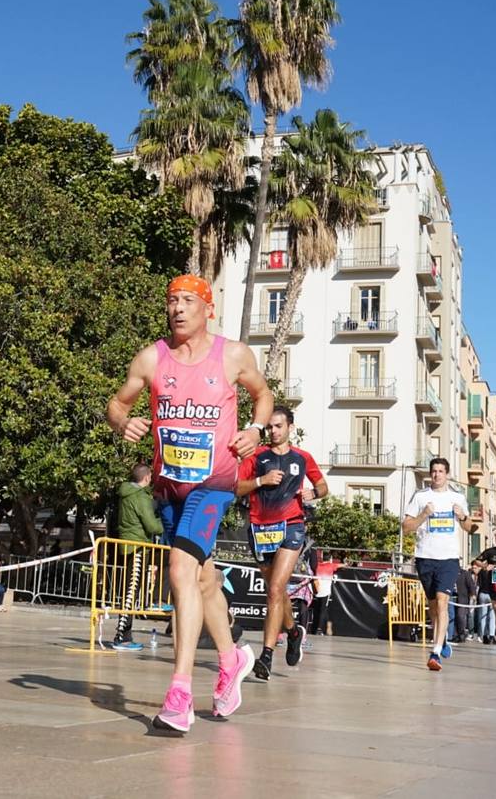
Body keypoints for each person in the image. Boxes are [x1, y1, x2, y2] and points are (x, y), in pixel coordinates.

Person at [106, 273, 272, 733]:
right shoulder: (151, 358)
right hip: (169, 486)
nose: (177, 308)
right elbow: (116, 404)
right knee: (202, 580)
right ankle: (231, 657)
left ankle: (179, 693)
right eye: (171, 301)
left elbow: (263, 394)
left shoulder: (232, 355)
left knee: (180, 570)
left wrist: (255, 431)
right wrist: (124, 423)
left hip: (215, 483)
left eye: (186, 301)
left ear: (207, 308)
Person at [235, 405, 327, 681]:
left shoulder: (303, 457)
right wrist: (261, 480)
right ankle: (294, 631)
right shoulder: (257, 456)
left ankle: (266, 656)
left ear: (290, 427)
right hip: (260, 528)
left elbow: (323, 486)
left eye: (278, 426)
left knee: (276, 588)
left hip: (291, 525)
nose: (273, 431)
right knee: (275, 592)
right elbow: (236, 486)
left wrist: (314, 493)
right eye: (270, 427)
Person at [402, 458, 480, 671]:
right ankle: (441, 639)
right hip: (425, 557)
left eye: (441, 471)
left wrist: (462, 515)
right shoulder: (420, 497)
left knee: (442, 601)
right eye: (434, 471)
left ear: (447, 474)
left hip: (449, 558)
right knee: (433, 607)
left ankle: (435, 652)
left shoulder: (457, 497)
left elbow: (470, 527)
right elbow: (407, 527)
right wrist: (423, 515)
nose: (437, 475)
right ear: (430, 474)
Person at [112, 463, 163, 651]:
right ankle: (121, 637)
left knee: (128, 591)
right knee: (130, 593)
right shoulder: (140, 497)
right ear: (147, 477)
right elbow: (152, 526)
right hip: (137, 547)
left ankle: (125, 635)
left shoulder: (126, 494)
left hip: (127, 545)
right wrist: (165, 522)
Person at [311, 553, 341, 636]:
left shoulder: (317, 566)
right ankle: (319, 629)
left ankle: (314, 628)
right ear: (330, 559)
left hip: (316, 591)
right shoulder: (331, 565)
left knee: (316, 610)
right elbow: (342, 565)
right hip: (325, 592)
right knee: (322, 610)